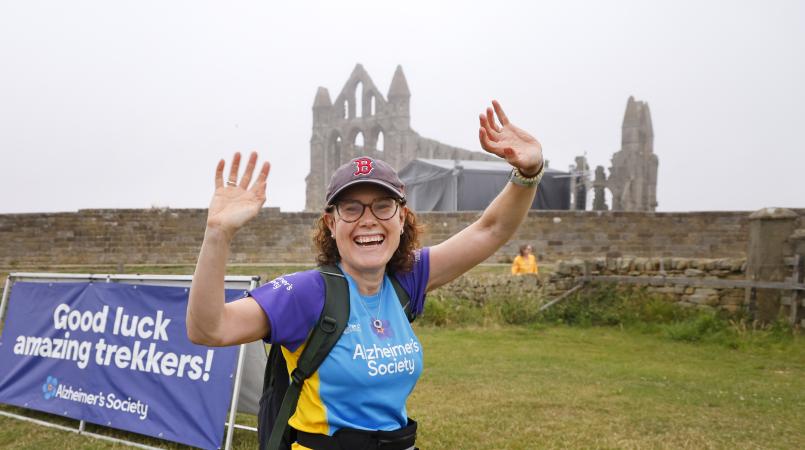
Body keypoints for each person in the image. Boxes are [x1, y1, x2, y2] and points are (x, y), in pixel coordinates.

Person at [186, 100, 544, 450]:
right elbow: (209, 329)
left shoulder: (407, 279)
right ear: (332, 222)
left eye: (383, 206)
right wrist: (218, 232)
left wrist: (527, 173)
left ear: (402, 218)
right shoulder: (305, 293)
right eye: (352, 208)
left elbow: (490, 230)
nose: (368, 219)